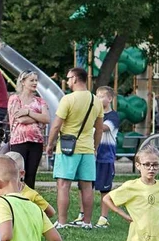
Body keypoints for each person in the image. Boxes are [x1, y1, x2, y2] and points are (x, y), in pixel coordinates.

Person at [45, 67, 104, 230]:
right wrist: (95, 147)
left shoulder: (68, 100)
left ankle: (62, 221)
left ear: (76, 79)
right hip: (87, 149)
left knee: (63, 184)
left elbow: (56, 125)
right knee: (87, 186)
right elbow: (99, 129)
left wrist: (50, 144)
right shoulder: (95, 100)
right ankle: (87, 221)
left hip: (67, 148)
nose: (68, 81)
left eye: (69, 78)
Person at [75, 86, 119, 228]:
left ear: (110, 99)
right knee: (84, 186)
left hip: (106, 157)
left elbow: (103, 128)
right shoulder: (93, 115)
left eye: (102, 96)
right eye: (97, 96)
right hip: (90, 155)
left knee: (104, 189)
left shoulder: (113, 116)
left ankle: (103, 217)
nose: (98, 99)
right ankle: (82, 214)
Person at [6, 71, 49, 183]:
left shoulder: (40, 100)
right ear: (23, 82)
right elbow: (20, 119)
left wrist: (27, 112)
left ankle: (29, 198)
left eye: (36, 80)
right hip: (18, 141)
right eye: (31, 80)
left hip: (36, 141)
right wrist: (37, 118)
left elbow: (46, 119)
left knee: (31, 174)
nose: (35, 83)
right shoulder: (15, 98)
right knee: (18, 173)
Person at [0, 151, 55, 219]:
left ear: (21, 174)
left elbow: (51, 212)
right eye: (3, 173)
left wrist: (34, 221)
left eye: (12, 173)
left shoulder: (31, 195)